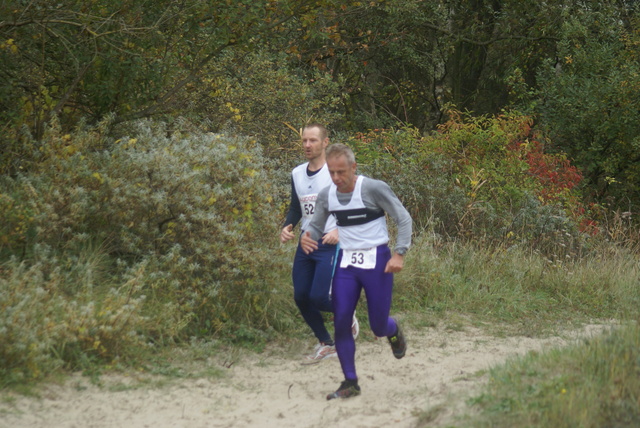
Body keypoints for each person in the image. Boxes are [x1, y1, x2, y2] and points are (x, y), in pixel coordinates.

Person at [300, 143, 412, 399]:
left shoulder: (373, 188)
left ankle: (393, 332)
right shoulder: (327, 195)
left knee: (378, 325)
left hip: (377, 261)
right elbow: (316, 226)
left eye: (342, 172)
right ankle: (350, 382)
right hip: (347, 264)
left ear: (354, 167)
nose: (337, 178)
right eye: (332, 172)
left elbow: (403, 218)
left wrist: (399, 253)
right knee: (341, 321)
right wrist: (309, 236)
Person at [280, 124, 359, 362]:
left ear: (325, 142)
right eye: (304, 140)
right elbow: (297, 207)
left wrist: (339, 229)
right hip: (307, 241)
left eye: (313, 140)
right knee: (301, 296)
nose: (307, 145)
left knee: (319, 297)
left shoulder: (335, 172)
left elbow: (354, 202)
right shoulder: (296, 173)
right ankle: (326, 342)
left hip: (331, 242)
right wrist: (287, 225)